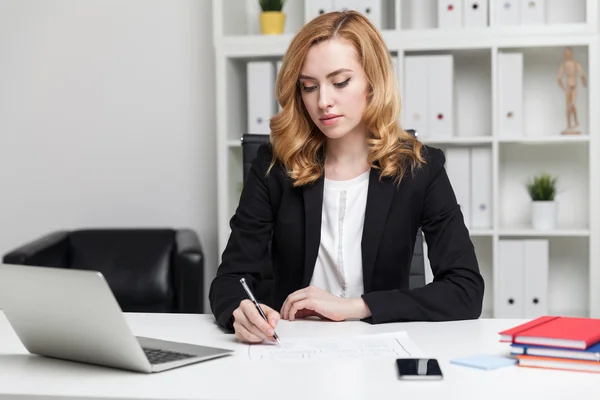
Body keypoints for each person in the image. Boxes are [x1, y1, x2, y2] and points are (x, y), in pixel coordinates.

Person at [209, 10, 485, 344]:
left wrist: (355, 307)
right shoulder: (274, 166)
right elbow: (230, 281)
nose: (323, 101)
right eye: (309, 87)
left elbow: (465, 290)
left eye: (340, 82)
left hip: (377, 348)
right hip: (289, 348)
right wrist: (239, 312)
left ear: (373, 81)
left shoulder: (420, 168)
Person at [557, 46, 587, 134]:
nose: (568, 55)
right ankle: (568, 125)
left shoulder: (575, 63)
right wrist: (563, 87)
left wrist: (583, 80)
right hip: (568, 86)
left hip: (574, 85)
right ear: (565, 55)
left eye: (569, 53)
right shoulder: (563, 65)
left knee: (573, 105)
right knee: (568, 107)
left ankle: (576, 122)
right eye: (566, 54)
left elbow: (581, 73)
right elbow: (559, 77)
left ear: (572, 54)